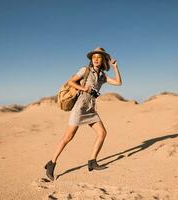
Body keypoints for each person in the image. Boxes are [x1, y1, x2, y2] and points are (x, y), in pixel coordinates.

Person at [44, 47, 122, 181]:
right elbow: (71, 82)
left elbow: (118, 83)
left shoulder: (102, 76)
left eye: (99, 57)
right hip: (80, 107)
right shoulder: (85, 70)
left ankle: (92, 161)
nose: (96, 59)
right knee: (68, 137)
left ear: (103, 60)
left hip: (91, 109)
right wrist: (84, 88)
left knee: (102, 133)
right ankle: (52, 163)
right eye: (94, 57)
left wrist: (115, 67)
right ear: (91, 59)